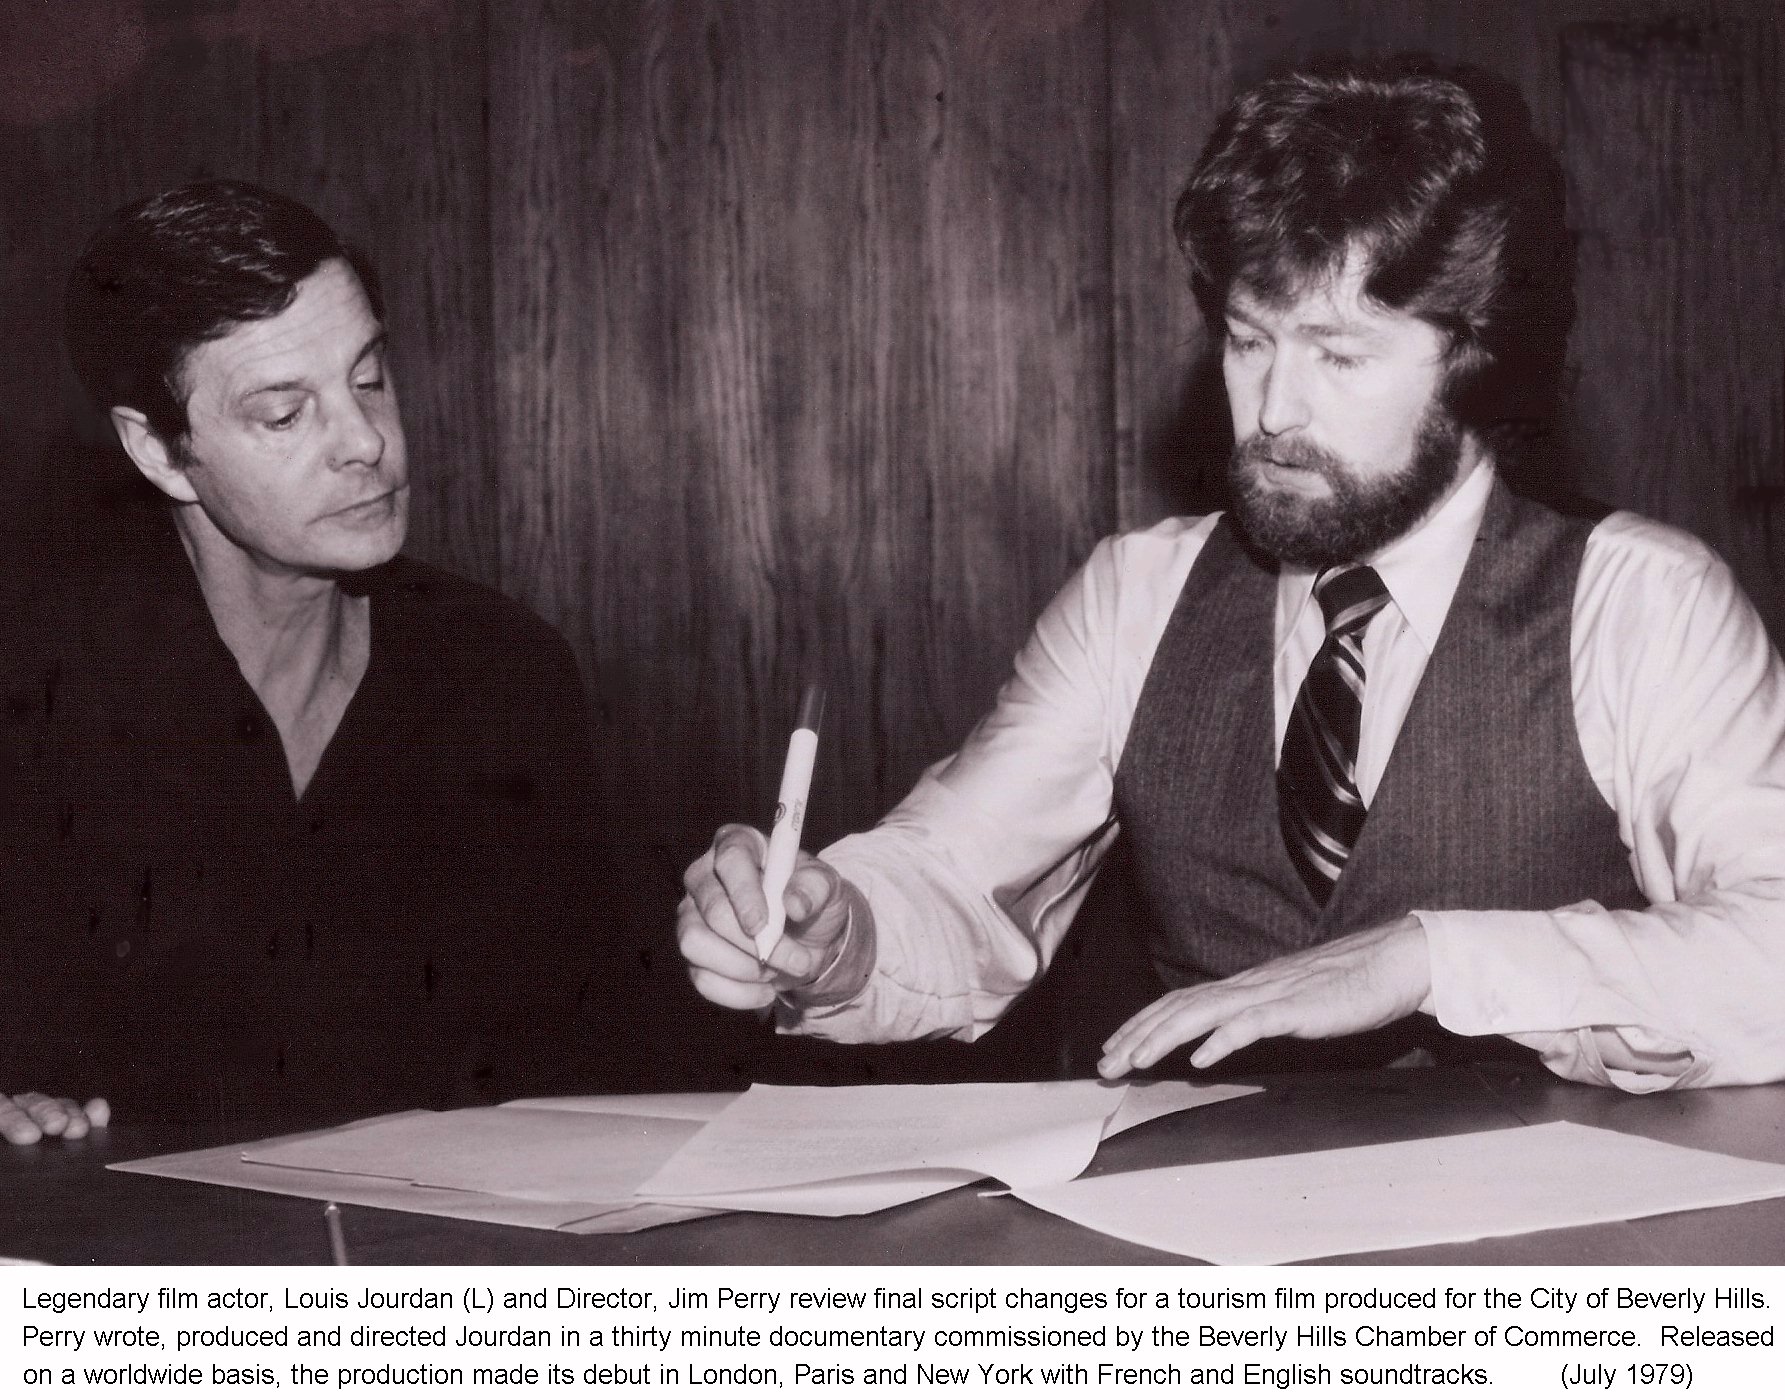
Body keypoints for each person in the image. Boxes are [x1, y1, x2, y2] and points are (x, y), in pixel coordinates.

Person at [678, 55, 1785, 1093]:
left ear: (1479, 355)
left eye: (1340, 355)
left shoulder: (1644, 604)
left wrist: (1432, 956)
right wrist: (834, 933)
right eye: (1250, 341)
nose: (1274, 413)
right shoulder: (1138, 595)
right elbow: (955, 872)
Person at [1, 180, 603, 1139]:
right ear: (158, 450)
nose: (366, 442)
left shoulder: (500, 673)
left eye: (369, 378)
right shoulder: (37, 696)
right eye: (286, 414)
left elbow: (587, 1061)